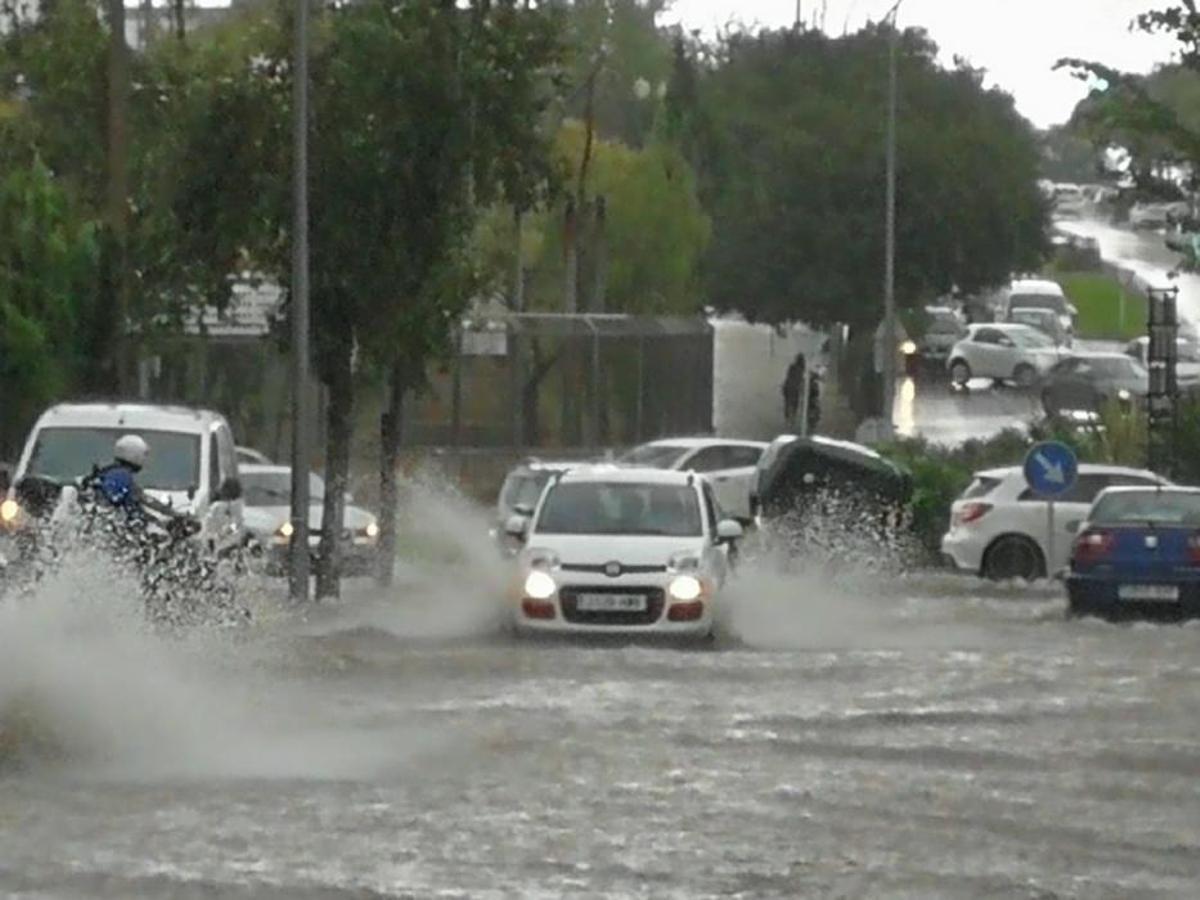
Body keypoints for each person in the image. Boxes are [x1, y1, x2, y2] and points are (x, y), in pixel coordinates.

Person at [782, 353, 806, 424]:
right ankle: (792, 419)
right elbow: (800, 380)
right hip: (794, 389)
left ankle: (788, 419)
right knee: (794, 404)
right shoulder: (801, 369)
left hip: (787, 387)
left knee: (787, 403)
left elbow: (789, 376)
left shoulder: (792, 367)